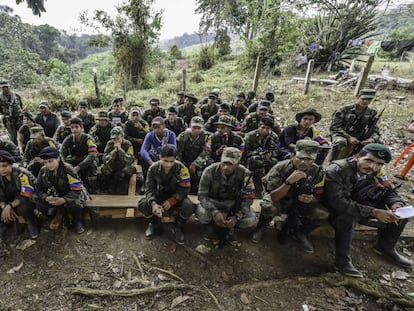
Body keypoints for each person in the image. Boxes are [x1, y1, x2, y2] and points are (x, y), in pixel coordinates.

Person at [325, 143, 412, 278]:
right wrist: (374, 212)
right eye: (369, 160)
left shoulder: (376, 171)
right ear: (358, 156)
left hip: (360, 204)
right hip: (333, 208)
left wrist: (396, 204)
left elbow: (388, 190)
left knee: (400, 213)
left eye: (379, 164)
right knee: (347, 218)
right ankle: (342, 261)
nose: (372, 166)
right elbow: (337, 202)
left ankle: (385, 246)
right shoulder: (337, 169)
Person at [255, 140, 328, 253]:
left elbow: (319, 195)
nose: (303, 162)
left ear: (314, 160)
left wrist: (311, 199)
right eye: (300, 158)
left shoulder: (317, 172)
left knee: (322, 214)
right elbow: (273, 196)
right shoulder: (281, 167)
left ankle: (301, 233)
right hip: (281, 199)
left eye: (309, 159)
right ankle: (261, 227)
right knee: (268, 206)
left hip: (301, 204)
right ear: (293, 156)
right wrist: (288, 182)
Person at [196, 147, 257, 246]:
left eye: (230, 164)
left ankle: (229, 227)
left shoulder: (246, 174)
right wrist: (214, 212)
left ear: (237, 163)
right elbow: (202, 195)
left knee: (250, 220)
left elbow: (249, 198)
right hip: (213, 202)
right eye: (224, 163)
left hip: (232, 204)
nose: (225, 167)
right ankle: (213, 225)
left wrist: (236, 216)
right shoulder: (209, 171)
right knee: (203, 216)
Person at [138, 144, 195, 244]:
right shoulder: (153, 168)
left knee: (189, 206)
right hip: (159, 196)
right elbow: (149, 189)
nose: (168, 164)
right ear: (160, 157)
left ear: (175, 159)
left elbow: (185, 189)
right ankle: (154, 223)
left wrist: (172, 200)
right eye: (165, 161)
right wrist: (153, 203)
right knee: (142, 204)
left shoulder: (182, 169)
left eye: (171, 161)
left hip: (176, 197)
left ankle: (178, 226)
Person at [35, 147, 86, 234]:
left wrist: (64, 199)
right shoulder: (43, 170)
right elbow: (39, 188)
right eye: (45, 162)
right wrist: (46, 197)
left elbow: (76, 190)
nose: (48, 165)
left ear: (58, 158)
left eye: (50, 161)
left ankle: (77, 221)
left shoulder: (68, 169)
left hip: (70, 194)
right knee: (38, 203)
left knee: (76, 204)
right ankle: (54, 215)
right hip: (54, 196)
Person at [329, 88, 380, 161]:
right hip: (341, 134)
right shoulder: (344, 110)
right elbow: (334, 127)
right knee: (340, 142)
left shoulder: (371, 113)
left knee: (378, 144)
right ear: (358, 97)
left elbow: (375, 130)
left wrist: (372, 139)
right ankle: (333, 162)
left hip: (358, 137)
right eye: (363, 99)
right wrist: (349, 137)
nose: (365, 101)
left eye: (368, 100)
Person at [0, 150, 39, 239]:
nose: (2, 169)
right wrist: (4, 207)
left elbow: (26, 194)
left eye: (4, 166)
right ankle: (10, 221)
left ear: (11, 164)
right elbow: (0, 196)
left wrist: (10, 206)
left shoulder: (21, 173)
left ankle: (32, 223)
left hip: (30, 198)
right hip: (13, 199)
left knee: (24, 208)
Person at [60, 118, 98, 193]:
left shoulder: (88, 139)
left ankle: (93, 188)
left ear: (82, 128)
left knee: (92, 165)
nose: (74, 130)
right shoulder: (69, 139)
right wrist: (63, 163)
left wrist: (79, 166)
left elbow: (92, 155)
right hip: (75, 160)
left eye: (77, 127)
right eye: (72, 127)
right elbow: (62, 151)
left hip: (86, 160)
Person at [244, 116, 279, 195]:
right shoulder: (249, 136)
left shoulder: (274, 136)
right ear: (259, 126)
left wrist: (269, 155)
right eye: (262, 127)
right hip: (253, 157)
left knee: (274, 163)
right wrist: (257, 153)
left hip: (268, 157)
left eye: (267, 128)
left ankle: (270, 187)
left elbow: (276, 150)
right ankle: (256, 188)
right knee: (256, 161)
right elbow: (245, 152)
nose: (264, 130)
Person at [176, 116, 211, 194]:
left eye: (199, 128)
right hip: (185, 161)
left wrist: (195, 164)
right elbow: (178, 154)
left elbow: (206, 152)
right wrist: (182, 167)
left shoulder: (207, 137)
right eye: (194, 127)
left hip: (199, 161)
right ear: (190, 126)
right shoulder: (182, 136)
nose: (196, 130)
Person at [100, 127, 136, 194]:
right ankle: (108, 186)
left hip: (123, 165)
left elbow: (130, 160)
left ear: (122, 136)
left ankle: (124, 186)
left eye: (118, 138)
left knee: (130, 168)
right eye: (114, 139)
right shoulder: (109, 144)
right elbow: (105, 159)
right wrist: (114, 152)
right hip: (113, 164)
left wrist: (120, 150)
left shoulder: (128, 144)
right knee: (104, 168)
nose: (116, 141)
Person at [0, 80, 22, 144]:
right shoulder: (0, 98)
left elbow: (21, 106)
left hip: (18, 118)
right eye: (3, 87)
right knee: (12, 136)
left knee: (22, 132)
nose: (5, 89)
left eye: (6, 87)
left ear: (9, 87)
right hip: (8, 119)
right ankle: (14, 149)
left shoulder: (16, 96)